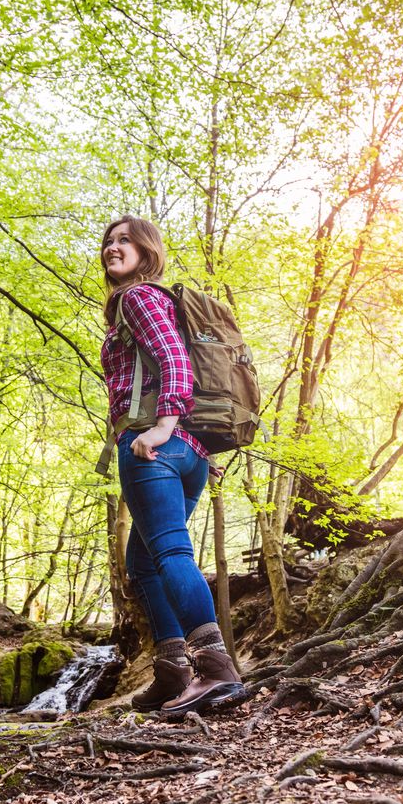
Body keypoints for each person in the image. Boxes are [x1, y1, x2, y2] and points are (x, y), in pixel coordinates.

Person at [99, 214, 244, 715]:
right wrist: (187, 437)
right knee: (143, 561)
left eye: (125, 241)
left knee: (168, 553)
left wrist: (162, 426)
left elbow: (175, 360)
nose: (113, 248)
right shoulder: (147, 304)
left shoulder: (138, 298)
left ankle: (215, 668)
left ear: (147, 251)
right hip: (189, 452)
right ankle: (172, 670)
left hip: (153, 446)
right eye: (109, 241)